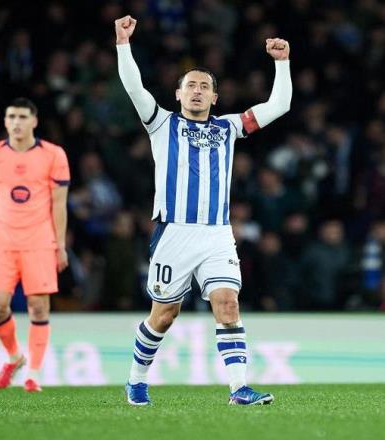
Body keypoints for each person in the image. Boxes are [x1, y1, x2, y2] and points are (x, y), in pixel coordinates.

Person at [115, 15, 292, 405]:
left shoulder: (229, 127)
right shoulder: (161, 123)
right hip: (174, 232)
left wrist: (282, 63)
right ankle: (136, 380)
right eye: (190, 86)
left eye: (205, 87)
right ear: (178, 94)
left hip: (217, 234)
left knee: (227, 305)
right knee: (164, 316)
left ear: (215, 98)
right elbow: (133, 86)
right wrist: (123, 44)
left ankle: (238, 389)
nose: (197, 91)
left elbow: (280, 105)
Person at [0, 97, 70, 392]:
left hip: (39, 241)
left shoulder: (54, 155)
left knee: (38, 308)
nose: (16, 122)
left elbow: (59, 204)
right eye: (11, 116)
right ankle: (15, 357)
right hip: (1, 241)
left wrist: (60, 244)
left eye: (22, 117)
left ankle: (33, 375)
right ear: (4, 121)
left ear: (34, 121)